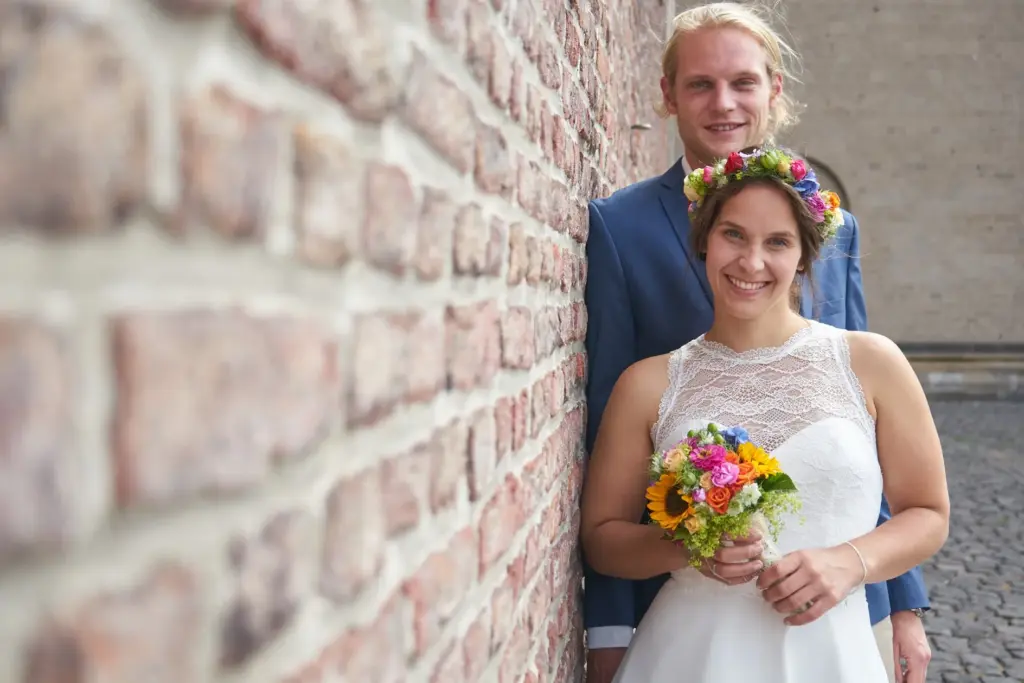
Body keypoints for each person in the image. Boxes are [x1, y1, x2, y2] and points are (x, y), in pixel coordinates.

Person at [581, 4, 934, 683]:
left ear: (774, 89)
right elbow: (608, 437)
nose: (724, 104)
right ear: (668, 95)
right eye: (700, 84)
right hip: (689, 609)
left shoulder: (837, 231)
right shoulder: (620, 229)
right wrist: (611, 628)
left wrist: (901, 606)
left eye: (743, 82)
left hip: (840, 606)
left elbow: (868, 441)